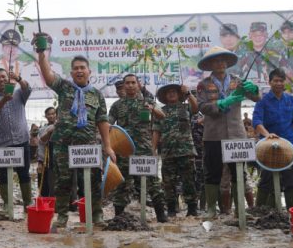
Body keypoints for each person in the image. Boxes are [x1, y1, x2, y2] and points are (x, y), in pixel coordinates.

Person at [37, 50, 116, 227]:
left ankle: (96, 216)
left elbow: (102, 121)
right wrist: (42, 54)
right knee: (63, 181)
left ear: (89, 72)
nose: (79, 71)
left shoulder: (96, 95)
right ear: (71, 73)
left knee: (93, 181)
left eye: (82, 68)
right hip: (63, 145)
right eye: (75, 69)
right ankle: (62, 217)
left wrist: (108, 146)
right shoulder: (64, 87)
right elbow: (48, 75)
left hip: (88, 145)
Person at [196, 46, 260, 219]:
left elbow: (256, 98)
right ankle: (211, 209)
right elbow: (201, 107)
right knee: (212, 172)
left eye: (223, 60)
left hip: (236, 134)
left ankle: (240, 209)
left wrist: (254, 89)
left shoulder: (237, 81)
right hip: (213, 135)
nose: (220, 63)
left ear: (227, 63)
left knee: (239, 172)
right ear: (210, 64)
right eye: (216, 61)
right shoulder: (203, 84)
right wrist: (221, 104)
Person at [109, 74, 167, 221]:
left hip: (144, 150)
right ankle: (119, 216)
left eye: (133, 83)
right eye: (127, 83)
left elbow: (162, 116)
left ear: (138, 84)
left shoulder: (147, 101)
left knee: (152, 182)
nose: (130, 85)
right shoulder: (117, 105)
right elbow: (109, 124)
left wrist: (152, 108)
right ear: (123, 85)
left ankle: (161, 215)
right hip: (124, 150)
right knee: (122, 183)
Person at [252, 68, 293, 209]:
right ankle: (259, 209)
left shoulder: (291, 100)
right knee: (266, 179)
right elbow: (257, 122)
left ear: (285, 83)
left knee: (291, 179)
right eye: (275, 80)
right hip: (268, 144)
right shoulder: (262, 100)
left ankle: (291, 211)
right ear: (269, 82)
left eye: (281, 81)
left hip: (289, 144)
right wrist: (266, 134)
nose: (278, 83)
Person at [0, 68, 33, 212]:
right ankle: (7, 204)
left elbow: (28, 88)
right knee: (4, 175)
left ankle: (28, 203)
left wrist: (18, 78)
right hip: (1, 143)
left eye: (3, 77)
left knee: (24, 173)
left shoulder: (19, 93)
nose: (1, 80)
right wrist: (4, 99)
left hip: (22, 140)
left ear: (8, 78)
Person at [153, 83, 199, 217]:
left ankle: (192, 209)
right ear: (165, 96)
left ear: (179, 94)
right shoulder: (160, 111)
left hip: (186, 151)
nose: (171, 94)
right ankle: (172, 209)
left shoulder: (186, 107)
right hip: (168, 152)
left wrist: (188, 93)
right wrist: (153, 150)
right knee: (168, 182)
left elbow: (196, 108)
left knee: (189, 180)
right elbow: (156, 131)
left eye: (174, 92)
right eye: (168, 92)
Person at [37, 107, 57, 197]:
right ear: (46, 116)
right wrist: (40, 162)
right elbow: (41, 143)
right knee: (44, 183)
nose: (51, 116)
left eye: (53, 113)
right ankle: (45, 203)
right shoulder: (42, 129)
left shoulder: (62, 126)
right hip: (47, 159)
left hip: (59, 159)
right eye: (49, 114)